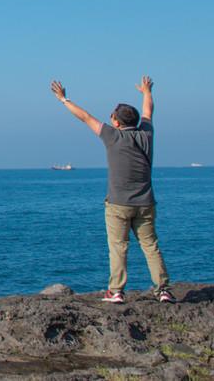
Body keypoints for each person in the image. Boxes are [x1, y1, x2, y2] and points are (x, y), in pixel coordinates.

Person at [51, 75, 174, 303]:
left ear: (116, 122)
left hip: (118, 203)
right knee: (150, 245)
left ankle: (116, 291)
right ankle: (163, 290)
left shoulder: (112, 136)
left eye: (112, 116)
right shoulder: (146, 134)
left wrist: (63, 99)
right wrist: (147, 92)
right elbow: (148, 111)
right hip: (146, 202)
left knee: (118, 247)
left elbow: (85, 117)